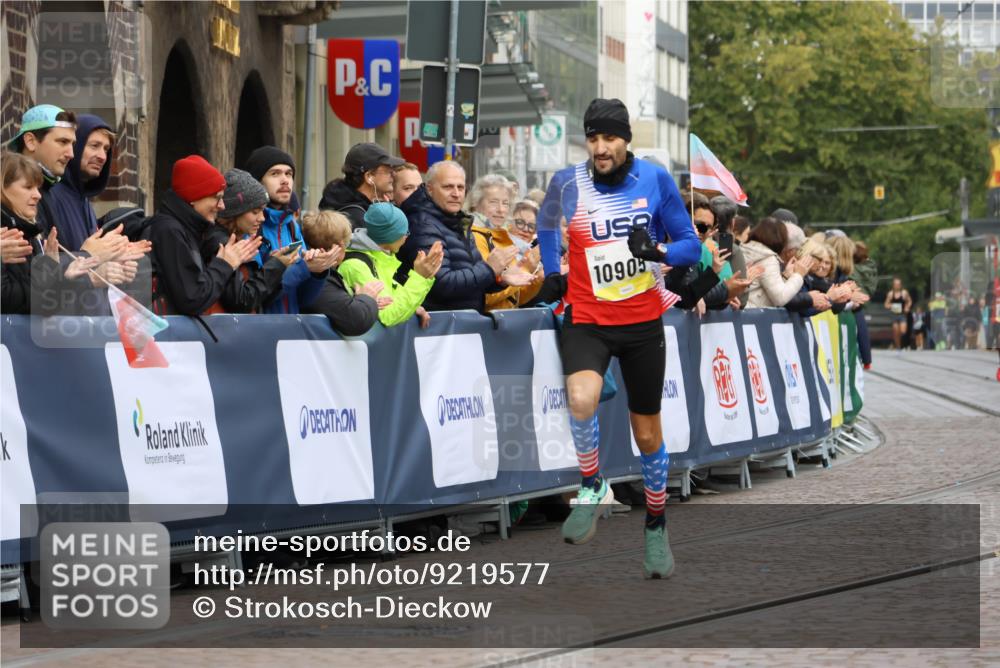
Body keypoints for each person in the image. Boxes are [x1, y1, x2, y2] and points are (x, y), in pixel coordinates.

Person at [537, 98, 701, 578]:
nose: (601, 148)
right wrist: (552, 272)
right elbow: (546, 224)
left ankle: (656, 524)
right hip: (588, 316)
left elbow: (691, 245)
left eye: (609, 138)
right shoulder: (568, 182)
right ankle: (592, 484)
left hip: (642, 323)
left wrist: (660, 250)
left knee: (646, 434)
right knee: (580, 397)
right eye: (593, 139)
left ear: (626, 140)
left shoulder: (654, 179)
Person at [397, 161, 531, 313]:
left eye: (460, 187)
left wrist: (500, 279)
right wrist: (489, 269)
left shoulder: (457, 221)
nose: (456, 193)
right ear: (430, 189)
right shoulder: (423, 225)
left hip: (462, 321)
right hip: (440, 323)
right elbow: (442, 285)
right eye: (448, 187)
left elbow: (472, 280)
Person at [145, 155, 259, 315]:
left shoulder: (188, 229)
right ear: (193, 197)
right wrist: (225, 264)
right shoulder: (170, 231)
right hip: (166, 329)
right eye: (217, 197)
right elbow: (192, 299)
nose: (222, 205)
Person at [1, 152, 100, 314]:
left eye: (37, 188)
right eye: (28, 187)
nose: (38, 195)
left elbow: (44, 307)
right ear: (2, 189)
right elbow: (7, 299)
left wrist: (63, 277)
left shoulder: (30, 232)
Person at [245, 145, 336, 314]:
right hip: (260, 326)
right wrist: (303, 268)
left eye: (288, 174)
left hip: (290, 325)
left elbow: (303, 300)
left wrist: (318, 272)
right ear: (257, 181)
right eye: (275, 174)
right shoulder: (250, 226)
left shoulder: (292, 226)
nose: (285, 180)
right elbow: (255, 296)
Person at [207, 169, 300, 313]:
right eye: (255, 212)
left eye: (263, 210)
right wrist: (275, 266)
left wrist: (275, 264)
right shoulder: (221, 244)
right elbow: (242, 301)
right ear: (234, 213)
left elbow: (257, 298)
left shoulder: (235, 240)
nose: (262, 218)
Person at [338, 202, 443, 328]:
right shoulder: (355, 266)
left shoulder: (385, 257)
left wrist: (412, 309)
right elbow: (388, 316)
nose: (406, 237)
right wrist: (420, 278)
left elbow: (394, 300)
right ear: (389, 236)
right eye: (404, 232)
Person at [300, 210, 381, 335]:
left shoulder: (311, 273)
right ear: (340, 245)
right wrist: (367, 298)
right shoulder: (317, 280)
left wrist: (364, 301)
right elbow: (356, 319)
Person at [43, 114, 116, 252]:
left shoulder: (84, 200)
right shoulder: (50, 195)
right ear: (75, 147)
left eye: (106, 149)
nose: (102, 156)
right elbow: (47, 260)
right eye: (94, 146)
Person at [470, 179, 543, 310]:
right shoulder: (476, 236)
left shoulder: (500, 237)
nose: (501, 209)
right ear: (476, 204)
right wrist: (525, 269)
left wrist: (539, 278)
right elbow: (485, 297)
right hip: (486, 320)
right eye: (493, 202)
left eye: (505, 203)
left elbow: (514, 298)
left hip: (502, 319)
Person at [8, 104, 77, 235]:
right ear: (30, 141)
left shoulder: (50, 189)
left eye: (72, 144)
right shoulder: (11, 191)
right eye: (63, 142)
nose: (71, 154)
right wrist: (87, 248)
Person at [319, 142, 403, 228]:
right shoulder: (358, 219)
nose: (394, 174)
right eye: (389, 171)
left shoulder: (342, 203)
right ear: (369, 177)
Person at [743, 217, 813, 308]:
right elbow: (780, 298)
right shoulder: (767, 259)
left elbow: (764, 288)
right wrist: (798, 275)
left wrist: (785, 276)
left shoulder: (747, 249)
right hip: (754, 313)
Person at [850, 241, 877, 368]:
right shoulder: (871, 267)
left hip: (853, 299)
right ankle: (866, 360)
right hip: (863, 300)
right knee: (862, 330)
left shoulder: (853, 269)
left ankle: (864, 359)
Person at [884, 277, 911, 350]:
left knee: (903, 331)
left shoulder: (904, 293)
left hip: (902, 314)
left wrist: (907, 307)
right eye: (895, 284)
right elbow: (886, 304)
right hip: (894, 314)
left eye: (898, 284)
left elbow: (909, 301)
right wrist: (891, 306)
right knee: (896, 332)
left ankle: (904, 345)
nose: (897, 286)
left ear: (901, 285)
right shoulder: (890, 294)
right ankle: (898, 346)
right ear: (893, 285)